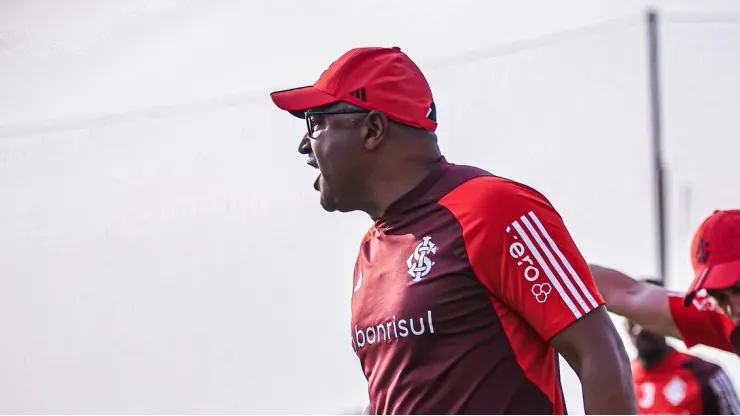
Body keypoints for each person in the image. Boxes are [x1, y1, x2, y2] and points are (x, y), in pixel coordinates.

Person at [270, 46, 636, 415]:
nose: (304, 145)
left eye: (315, 123)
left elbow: (600, 352)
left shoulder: (493, 208)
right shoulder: (370, 250)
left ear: (372, 129)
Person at [589, 209, 740, 356]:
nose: (734, 309)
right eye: (718, 296)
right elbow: (629, 294)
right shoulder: (721, 318)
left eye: (738, 288)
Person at [626, 278, 740, 414]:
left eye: (645, 319)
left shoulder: (707, 374)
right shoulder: (617, 381)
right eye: (633, 319)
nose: (640, 329)